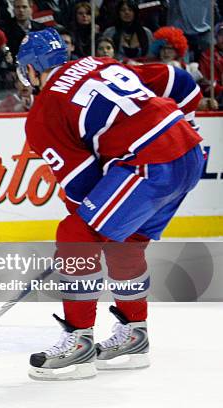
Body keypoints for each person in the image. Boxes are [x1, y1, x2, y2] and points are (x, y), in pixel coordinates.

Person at [17, 29, 204, 380]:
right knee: (125, 242)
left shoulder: (45, 111)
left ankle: (78, 343)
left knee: (74, 233)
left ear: (31, 70)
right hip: (189, 151)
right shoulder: (98, 63)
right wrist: (186, 126)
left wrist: (81, 246)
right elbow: (179, 80)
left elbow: (82, 187)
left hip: (149, 163)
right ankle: (134, 335)